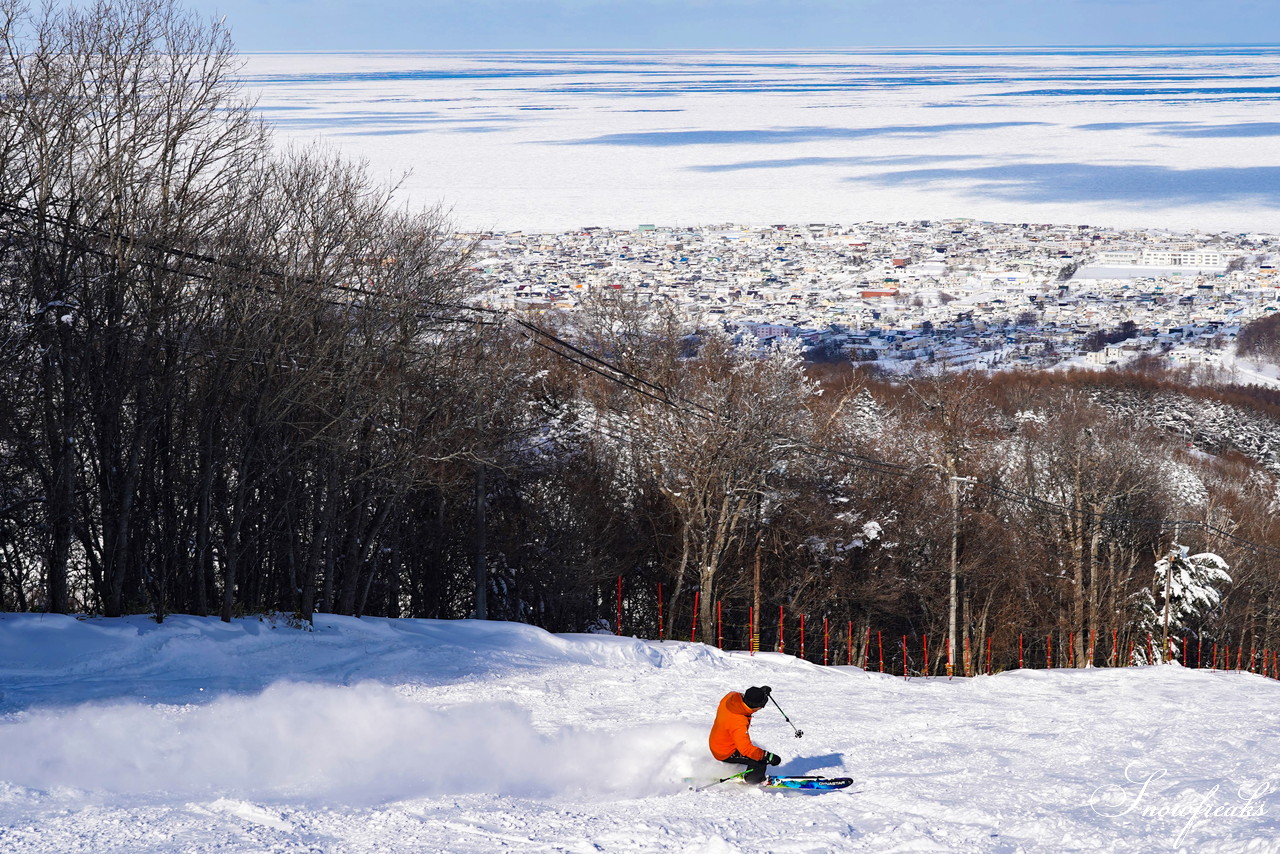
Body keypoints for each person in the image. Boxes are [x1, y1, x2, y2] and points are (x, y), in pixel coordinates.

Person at [707, 685, 782, 784]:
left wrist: (760, 692)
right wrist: (768, 756)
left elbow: (748, 696)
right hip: (724, 752)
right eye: (762, 706)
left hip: (718, 740)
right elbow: (746, 749)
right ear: (756, 706)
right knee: (759, 760)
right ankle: (754, 781)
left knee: (756, 753)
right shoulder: (738, 722)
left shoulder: (731, 698)